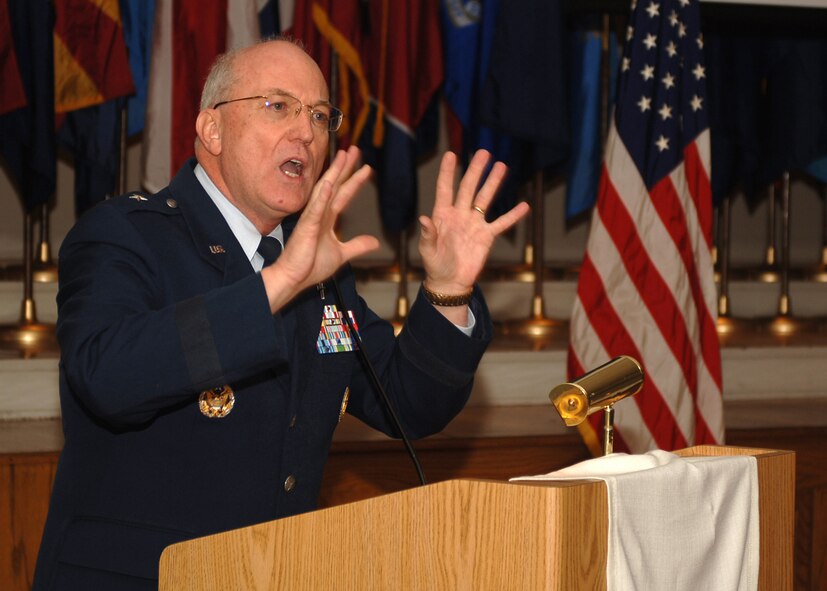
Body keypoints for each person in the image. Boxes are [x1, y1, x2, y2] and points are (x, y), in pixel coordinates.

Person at [33, 38, 529, 589]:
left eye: (319, 115)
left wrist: (448, 291)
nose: (306, 133)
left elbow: (406, 403)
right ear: (213, 130)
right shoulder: (127, 234)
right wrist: (279, 282)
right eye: (278, 106)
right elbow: (106, 376)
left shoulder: (317, 270)